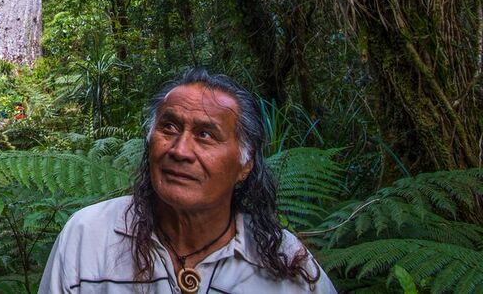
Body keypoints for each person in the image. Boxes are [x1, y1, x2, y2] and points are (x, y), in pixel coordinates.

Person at [39, 69, 337, 293]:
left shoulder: (288, 264)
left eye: (205, 135)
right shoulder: (89, 237)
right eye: (168, 127)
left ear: (245, 163)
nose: (180, 151)